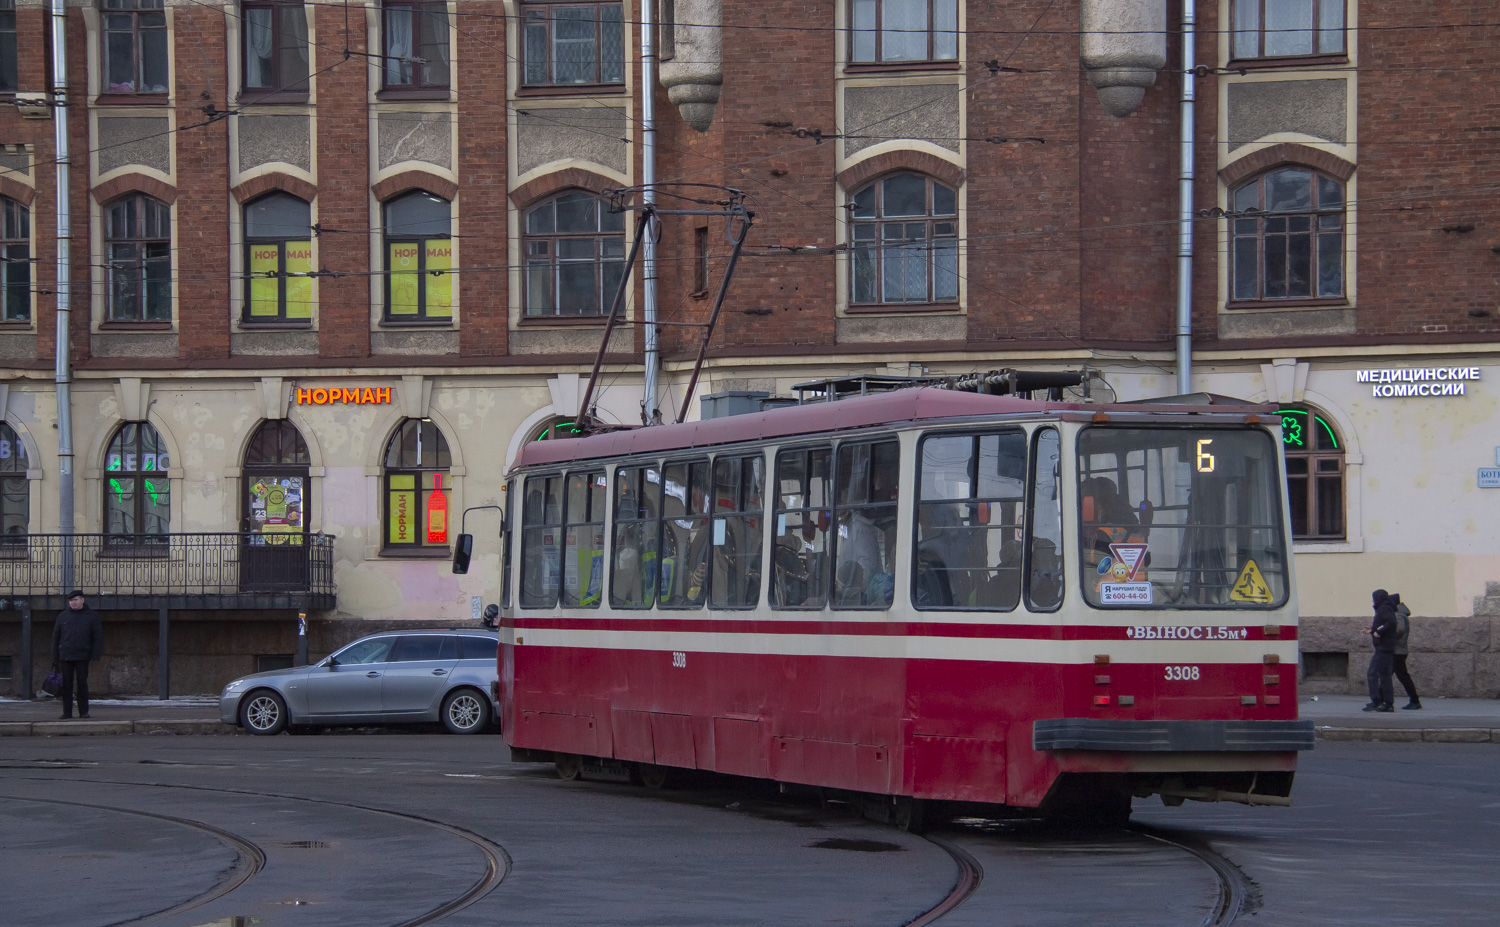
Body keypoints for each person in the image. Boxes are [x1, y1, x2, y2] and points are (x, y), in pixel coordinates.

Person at [51, 589, 104, 720]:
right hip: (65, 656)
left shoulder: (92, 616)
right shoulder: (62, 616)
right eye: (70, 601)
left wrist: (95, 655)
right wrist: (54, 656)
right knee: (66, 685)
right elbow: (55, 637)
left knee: (82, 684)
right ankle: (67, 712)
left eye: (75, 600)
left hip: (82, 656)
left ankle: (84, 712)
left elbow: (98, 637)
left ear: (82, 600)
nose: (73, 603)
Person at [1362, 588, 1398, 712]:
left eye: (1373, 597)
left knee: (1372, 673)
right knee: (1385, 676)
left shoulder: (1384, 608)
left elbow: (1391, 622)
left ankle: (1376, 701)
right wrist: (1372, 630)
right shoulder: (1386, 607)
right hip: (1387, 647)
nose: (1372, 600)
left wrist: (1378, 631)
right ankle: (1388, 703)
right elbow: (1385, 623)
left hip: (1383, 647)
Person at [1389, 592, 1421, 710]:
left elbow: (1400, 629)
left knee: (1400, 676)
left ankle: (1414, 700)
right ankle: (1379, 698)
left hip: (1398, 651)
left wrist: (1390, 637)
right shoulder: (1401, 613)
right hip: (1399, 650)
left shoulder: (1398, 615)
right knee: (1393, 675)